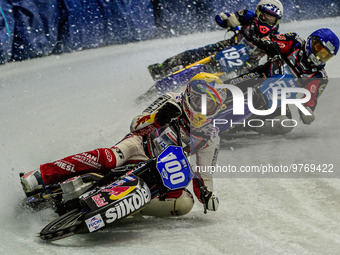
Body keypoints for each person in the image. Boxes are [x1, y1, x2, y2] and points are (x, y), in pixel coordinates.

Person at [20, 73, 226, 216]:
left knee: (184, 202)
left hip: (161, 170)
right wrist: (158, 118)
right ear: (190, 96)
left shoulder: (211, 136)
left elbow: (204, 174)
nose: (204, 111)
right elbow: (135, 125)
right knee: (110, 158)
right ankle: (41, 175)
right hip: (138, 146)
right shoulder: (171, 100)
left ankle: (129, 210)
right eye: (201, 103)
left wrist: (206, 195)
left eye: (211, 106)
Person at [222, 28, 339, 135]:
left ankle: (244, 126)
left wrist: (307, 111)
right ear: (311, 40)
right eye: (319, 48)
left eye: (325, 55)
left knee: (285, 124)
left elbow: (310, 98)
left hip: (278, 99)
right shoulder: (294, 41)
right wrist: (270, 45)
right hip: (262, 75)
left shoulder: (319, 76)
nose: (318, 56)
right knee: (227, 89)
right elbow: (268, 40)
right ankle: (209, 99)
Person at [148, 0, 284, 80]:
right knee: (194, 53)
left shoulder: (275, 38)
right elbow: (222, 18)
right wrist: (228, 20)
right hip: (230, 45)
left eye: (271, 18)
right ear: (258, 12)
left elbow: (274, 59)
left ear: (276, 20)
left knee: (238, 84)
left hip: (248, 62)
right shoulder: (247, 16)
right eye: (264, 15)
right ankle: (162, 68)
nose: (266, 19)